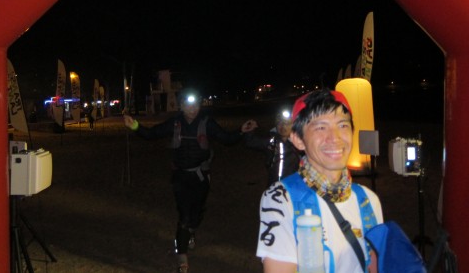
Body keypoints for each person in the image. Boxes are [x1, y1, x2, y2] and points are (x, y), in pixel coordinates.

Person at [123, 88, 257, 273]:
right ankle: (182, 257)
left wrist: (241, 130)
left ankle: (191, 231)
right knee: (184, 216)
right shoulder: (175, 122)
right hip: (180, 177)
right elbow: (152, 134)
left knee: (197, 213)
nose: (192, 109)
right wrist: (135, 126)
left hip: (201, 176)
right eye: (188, 105)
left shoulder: (207, 122)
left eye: (195, 105)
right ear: (181, 106)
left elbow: (226, 139)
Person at [256, 88, 383, 273]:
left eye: (343, 125)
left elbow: (374, 264)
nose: (335, 138)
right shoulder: (281, 199)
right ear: (298, 139)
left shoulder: (369, 200)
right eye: (321, 127)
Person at [245, 108, 301, 186]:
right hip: (273, 184)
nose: (283, 126)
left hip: (293, 185)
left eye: (287, 123)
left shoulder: (299, 143)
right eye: (279, 123)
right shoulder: (271, 141)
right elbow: (251, 142)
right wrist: (249, 130)